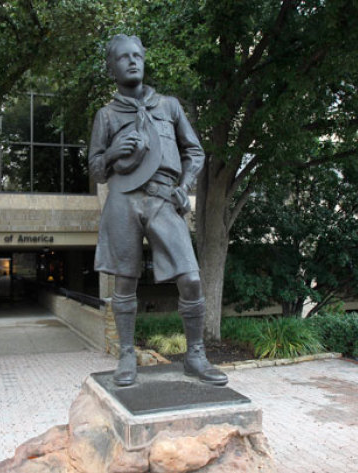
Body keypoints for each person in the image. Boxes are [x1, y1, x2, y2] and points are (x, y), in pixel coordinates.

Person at [89, 34, 228, 387]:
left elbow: (194, 153)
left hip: (164, 197)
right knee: (124, 281)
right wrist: (112, 151)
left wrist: (184, 187)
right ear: (111, 67)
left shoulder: (169, 106)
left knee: (191, 277)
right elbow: (95, 170)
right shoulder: (105, 116)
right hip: (122, 199)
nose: (132, 61)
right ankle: (125, 356)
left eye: (137, 55)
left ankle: (195, 355)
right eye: (123, 57)